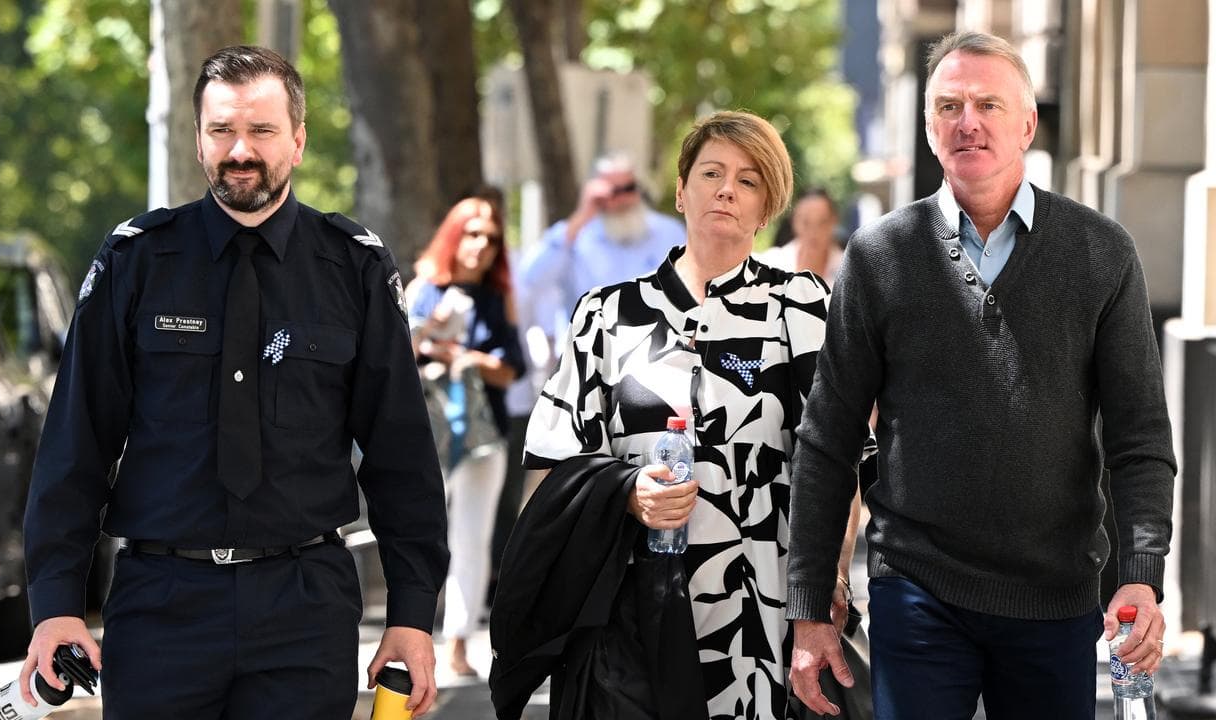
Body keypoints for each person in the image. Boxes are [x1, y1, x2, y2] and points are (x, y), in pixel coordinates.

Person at [19, 46, 448, 719]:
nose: (240, 150)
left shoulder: (353, 268)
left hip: (305, 609)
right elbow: (75, 445)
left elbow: (403, 460)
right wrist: (54, 607)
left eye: (262, 131)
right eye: (222, 131)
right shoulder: (136, 261)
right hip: (161, 606)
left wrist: (413, 614)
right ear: (198, 140)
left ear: (299, 141)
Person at [785, 30, 1176, 719]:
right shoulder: (880, 257)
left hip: (1056, 597)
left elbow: (1139, 435)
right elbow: (827, 440)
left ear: (1026, 123)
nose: (969, 122)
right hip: (916, 587)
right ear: (930, 128)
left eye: (989, 104)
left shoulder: (1100, 252)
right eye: (949, 106)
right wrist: (811, 607)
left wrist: (1140, 576)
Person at [491, 111, 861, 720]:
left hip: (761, 619)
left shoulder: (802, 309)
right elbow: (550, 471)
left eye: (748, 181)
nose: (725, 190)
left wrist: (831, 586)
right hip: (630, 614)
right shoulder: (608, 316)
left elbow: (837, 465)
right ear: (681, 190)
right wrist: (625, 493)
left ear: (767, 207)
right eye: (711, 173)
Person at [408, 197, 524, 678]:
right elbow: (394, 354)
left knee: (472, 538)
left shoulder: (499, 300)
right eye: (472, 233)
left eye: (492, 237)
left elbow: (511, 369)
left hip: (483, 436)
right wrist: (431, 332)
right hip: (424, 433)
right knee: (419, 533)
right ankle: (413, 636)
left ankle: (457, 642)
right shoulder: (424, 289)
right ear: (453, 234)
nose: (481, 245)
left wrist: (465, 357)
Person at [517, 152, 685, 333]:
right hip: (587, 352)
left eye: (628, 188)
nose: (622, 200)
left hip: (654, 350)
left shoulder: (669, 232)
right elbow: (531, 278)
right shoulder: (576, 236)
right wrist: (581, 216)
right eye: (613, 191)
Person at [755, 187, 844, 284]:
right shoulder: (770, 264)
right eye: (806, 222)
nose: (813, 231)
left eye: (822, 222)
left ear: (834, 221)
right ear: (794, 222)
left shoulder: (850, 271)